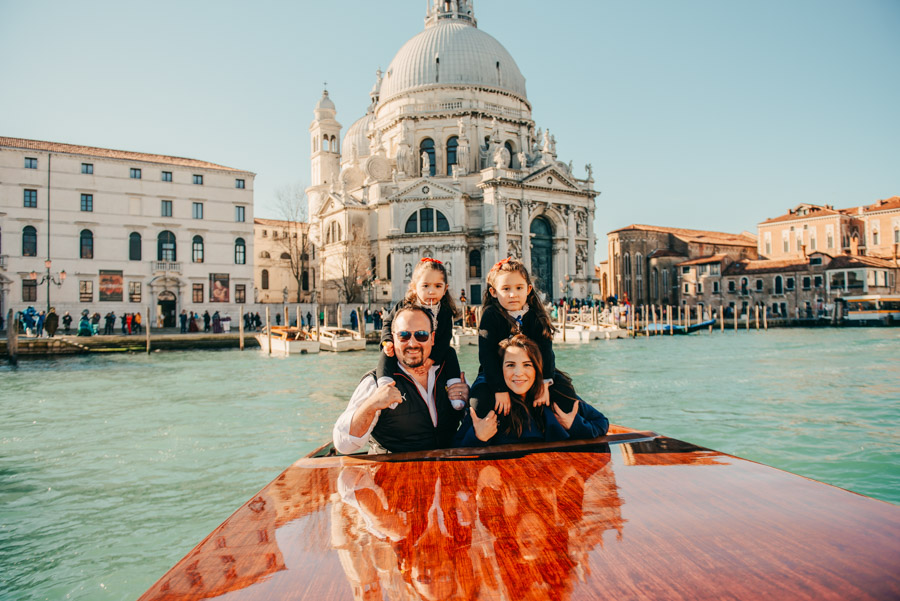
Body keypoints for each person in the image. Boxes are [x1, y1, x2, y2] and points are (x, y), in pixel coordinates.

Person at [333, 305, 469, 454]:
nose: (412, 343)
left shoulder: (451, 376)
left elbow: (472, 427)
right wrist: (371, 405)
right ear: (393, 338)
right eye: (404, 335)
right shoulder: (375, 382)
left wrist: (467, 402)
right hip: (393, 472)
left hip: (445, 470)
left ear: (432, 338)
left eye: (421, 335)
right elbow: (344, 445)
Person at [470, 257, 580, 420]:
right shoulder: (490, 315)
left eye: (519, 288)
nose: (513, 294)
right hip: (495, 373)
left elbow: (546, 351)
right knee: (478, 402)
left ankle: (567, 426)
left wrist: (544, 382)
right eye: (506, 289)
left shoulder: (536, 314)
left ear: (528, 289)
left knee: (566, 393)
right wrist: (499, 389)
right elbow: (487, 356)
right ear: (493, 292)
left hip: (534, 372)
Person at [455, 335, 608, 446]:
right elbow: (455, 448)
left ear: (538, 369)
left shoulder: (556, 396)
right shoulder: (489, 403)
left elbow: (601, 422)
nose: (519, 373)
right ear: (500, 370)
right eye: (510, 365)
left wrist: (574, 425)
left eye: (527, 365)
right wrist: (478, 436)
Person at [377, 258, 463, 395]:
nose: (431, 291)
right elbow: (388, 323)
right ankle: (384, 384)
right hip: (407, 345)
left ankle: (454, 385)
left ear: (445, 288)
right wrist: (387, 341)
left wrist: (431, 360)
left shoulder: (445, 311)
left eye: (438, 286)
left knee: (450, 352)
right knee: (388, 352)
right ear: (414, 287)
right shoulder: (404, 304)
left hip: (433, 350)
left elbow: (445, 339)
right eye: (425, 286)